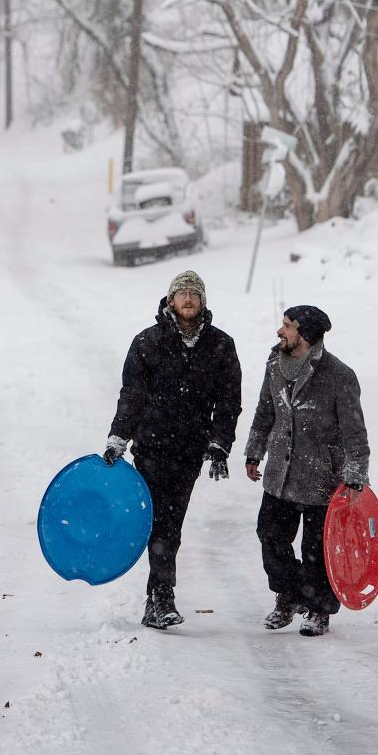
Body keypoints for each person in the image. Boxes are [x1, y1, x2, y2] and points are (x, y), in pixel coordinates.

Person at [103, 268, 242, 630]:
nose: (188, 298)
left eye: (195, 293)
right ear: (170, 300)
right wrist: (118, 439)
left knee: (171, 524)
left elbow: (229, 402)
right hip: (151, 448)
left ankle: (158, 596)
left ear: (203, 301)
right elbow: (131, 396)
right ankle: (160, 597)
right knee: (159, 523)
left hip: (188, 451)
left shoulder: (221, 346)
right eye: (181, 292)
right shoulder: (147, 342)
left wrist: (219, 443)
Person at [244, 304, 369, 637]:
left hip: (321, 480)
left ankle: (317, 610)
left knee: (316, 552)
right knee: (270, 537)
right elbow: (264, 412)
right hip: (279, 477)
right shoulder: (274, 365)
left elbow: (354, 433)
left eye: (287, 325)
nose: (280, 331)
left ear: (306, 334)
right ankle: (288, 595)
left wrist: (355, 476)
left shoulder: (339, 376)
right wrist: (254, 452)